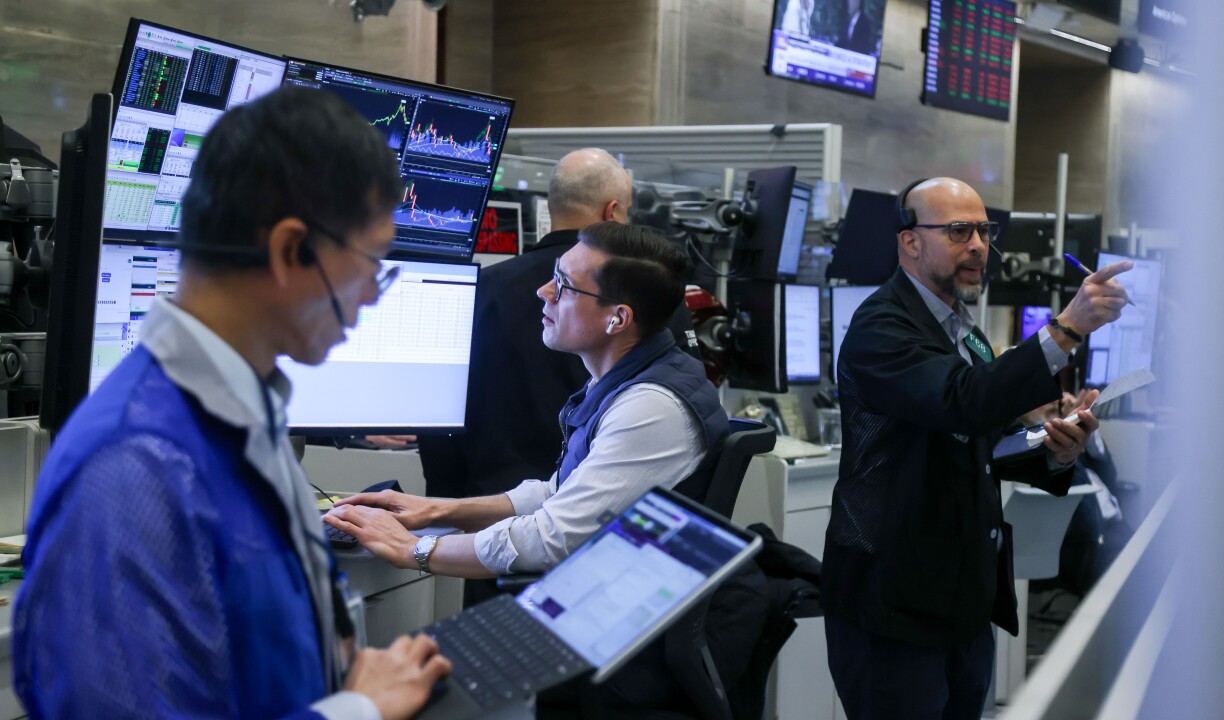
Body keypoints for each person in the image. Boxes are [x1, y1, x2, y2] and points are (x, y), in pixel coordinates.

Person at [13, 86, 450, 719]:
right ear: (289, 250)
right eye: (371, 264)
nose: (373, 296)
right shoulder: (135, 467)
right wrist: (358, 710)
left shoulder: (244, 412)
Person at [822, 177, 1132, 719]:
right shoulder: (881, 324)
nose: (979, 246)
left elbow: (983, 438)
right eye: (959, 231)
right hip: (892, 602)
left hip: (960, 602)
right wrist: (1067, 327)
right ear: (910, 241)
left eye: (984, 231)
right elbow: (960, 401)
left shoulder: (965, 331)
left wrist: (1056, 451)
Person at [325, 222, 729, 579]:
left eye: (565, 285)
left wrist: (410, 549)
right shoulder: (631, 377)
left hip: (611, 628)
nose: (543, 291)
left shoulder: (650, 408)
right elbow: (559, 493)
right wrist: (436, 510)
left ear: (617, 319)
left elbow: (550, 539)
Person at [413, 147, 698, 499]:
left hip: (497, 503)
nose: (545, 293)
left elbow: (439, 416)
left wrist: (443, 510)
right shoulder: (648, 296)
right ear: (612, 213)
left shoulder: (476, 292)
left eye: (564, 285)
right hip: (597, 502)